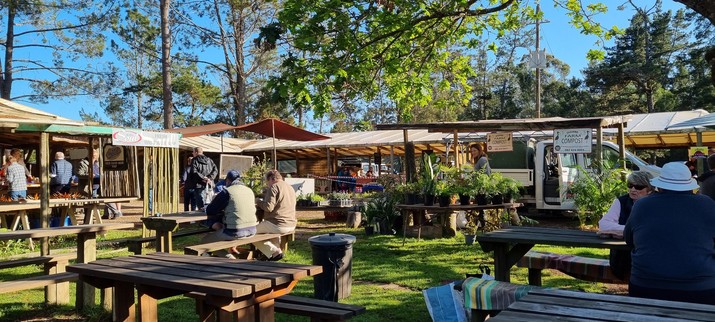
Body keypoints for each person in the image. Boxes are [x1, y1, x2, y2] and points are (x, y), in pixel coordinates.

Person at [624, 162, 715, 305]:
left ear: (659, 186)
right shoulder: (707, 205)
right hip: (700, 288)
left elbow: (629, 239)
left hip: (645, 286)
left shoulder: (642, 205)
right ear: (690, 186)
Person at [597, 171, 653, 281]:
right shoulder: (621, 201)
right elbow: (603, 225)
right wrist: (631, 230)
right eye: (630, 185)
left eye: (638, 186)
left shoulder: (657, 202)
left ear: (650, 189)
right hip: (623, 259)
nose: (633, 189)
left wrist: (617, 231)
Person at [201, 170, 258, 258]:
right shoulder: (249, 190)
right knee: (221, 228)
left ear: (228, 180)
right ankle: (228, 254)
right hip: (253, 230)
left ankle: (229, 258)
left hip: (235, 232)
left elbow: (211, 210)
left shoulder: (227, 192)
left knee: (204, 242)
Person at [254, 170, 296, 261]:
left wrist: (258, 201)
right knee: (269, 230)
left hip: (278, 224)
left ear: (271, 179)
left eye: (267, 182)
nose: (267, 185)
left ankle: (274, 251)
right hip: (291, 224)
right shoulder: (290, 187)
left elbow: (268, 207)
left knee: (249, 233)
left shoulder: (274, 187)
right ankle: (273, 254)